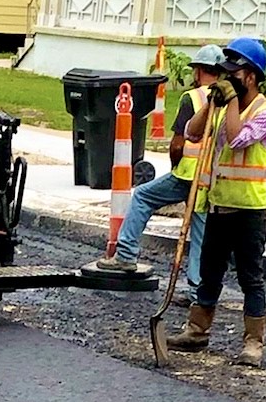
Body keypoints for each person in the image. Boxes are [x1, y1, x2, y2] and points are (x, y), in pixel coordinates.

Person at [167, 34, 266, 369]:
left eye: (234, 72)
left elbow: (236, 139)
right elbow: (191, 131)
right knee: (210, 272)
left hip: (249, 210)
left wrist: (230, 103)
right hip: (217, 203)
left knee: (250, 277)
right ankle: (197, 330)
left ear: (251, 76)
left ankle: (253, 342)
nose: (228, 77)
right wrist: (211, 104)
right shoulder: (221, 106)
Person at [92, 43, 225, 287]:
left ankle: (126, 254)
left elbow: (177, 144)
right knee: (199, 231)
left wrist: (176, 166)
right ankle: (197, 291)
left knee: (143, 196)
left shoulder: (193, 98)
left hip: (187, 174)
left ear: (198, 71)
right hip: (211, 178)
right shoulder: (227, 100)